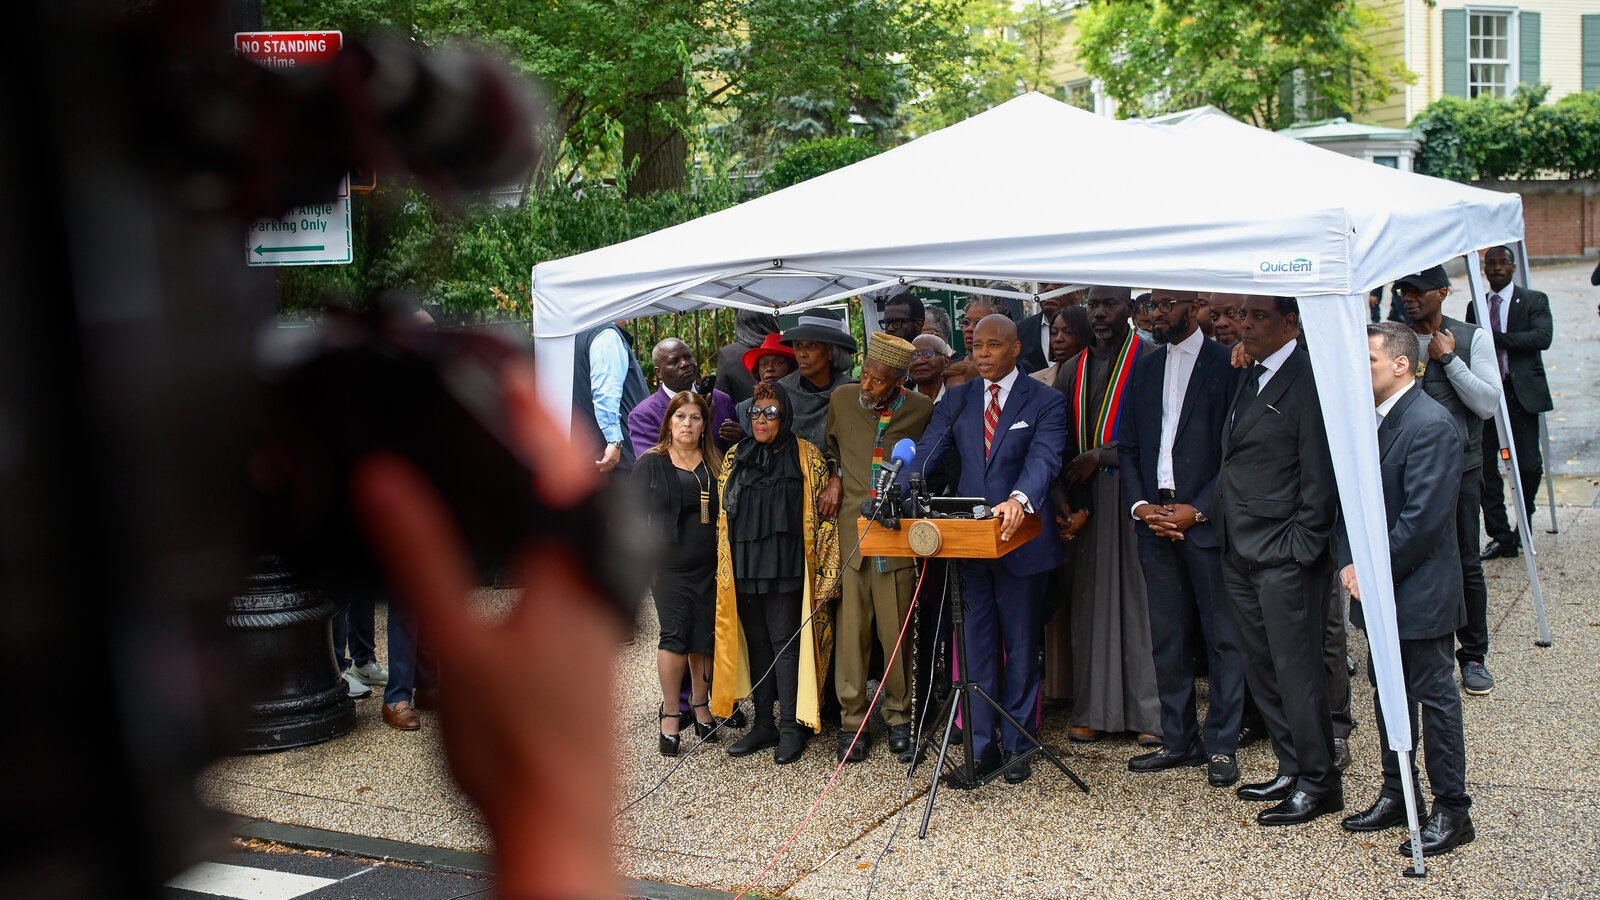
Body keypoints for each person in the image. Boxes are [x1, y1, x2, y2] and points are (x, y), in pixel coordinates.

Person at [903, 314, 1068, 784]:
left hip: (1022, 544)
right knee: (973, 649)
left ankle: (1017, 745)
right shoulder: (957, 399)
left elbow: (1045, 458)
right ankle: (979, 749)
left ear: (1016, 349)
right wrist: (899, 491)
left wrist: (1019, 498)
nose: (982, 353)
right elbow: (929, 455)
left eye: (993, 345)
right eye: (976, 346)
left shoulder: (1046, 400)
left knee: (1019, 647)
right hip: (969, 545)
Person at [1338, 322, 1475, 857]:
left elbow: (1423, 520)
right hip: (1376, 586)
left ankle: (1452, 809)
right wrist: (1351, 562)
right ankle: (1399, 792)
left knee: (1434, 699)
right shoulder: (1369, 423)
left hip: (1418, 590)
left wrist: (1368, 572)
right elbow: (1352, 502)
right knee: (1386, 694)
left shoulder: (1431, 424)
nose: (1358, 370)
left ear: (1401, 364)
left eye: (1368, 360)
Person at [1214, 295, 1342, 827]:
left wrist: (1301, 545)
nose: (1246, 325)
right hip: (1239, 546)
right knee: (1262, 666)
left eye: (1259, 316)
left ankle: (1320, 780)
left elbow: (1320, 472)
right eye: (1243, 316)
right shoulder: (1253, 371)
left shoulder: (1310, 379)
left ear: (1291, 323)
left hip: (1283, 553)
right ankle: (1292, 765)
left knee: (1297, 671)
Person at [1118, 288, 1246, 789]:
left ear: (1194, 307)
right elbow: (1127, 447)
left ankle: (1222, 744)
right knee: (1168, 636)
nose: (1154, 314)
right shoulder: (1145, 369)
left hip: (1205, 520)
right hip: (1154, 518)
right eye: (1147, 306)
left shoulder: (1227, 365)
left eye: (1165, 304)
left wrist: (1200, 509)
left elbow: (1238, 451)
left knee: (1221, 637)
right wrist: (1140, 506)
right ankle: (1179, 740)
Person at [1052, 287, 1161, 746]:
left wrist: (1102, 455)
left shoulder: (1151, 360)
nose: (1100, 313)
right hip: (1086, 502)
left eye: (1109, 304)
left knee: (1139, 603)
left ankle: (1147, 713)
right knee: (1090, 604)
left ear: (1130, 311)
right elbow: (1054, 440)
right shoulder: (1072, 369)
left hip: (1134, 493)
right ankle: (1094, 708)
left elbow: (1160, 432)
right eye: (1094, 305)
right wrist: (1061, 497)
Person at [711, 381, 840, 765]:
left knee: (785, 642)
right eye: (755, 412)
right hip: (745, 562)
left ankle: (790, 727)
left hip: (788, 563)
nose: (761, 419)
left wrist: (825, 575)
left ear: (785, 416)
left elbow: (825, 519)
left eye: (771, 412)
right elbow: (722, 514)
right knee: (758, 643)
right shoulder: (736, 456)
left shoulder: (807, 456)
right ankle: (763, 723)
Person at [824, 333, 934, 763]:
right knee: (852, 634)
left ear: (900, 382)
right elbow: (830, 449)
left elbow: (928, 465)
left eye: (878, 381)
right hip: (854, 535)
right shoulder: (842, 399)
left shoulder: (922, 410)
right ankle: (852, 723)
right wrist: (834, 475)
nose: (867, 386)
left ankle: (898, 719)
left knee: (896, 632)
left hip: (896, 536)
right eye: (865, 375)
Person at [1395, 266, 1502, 697]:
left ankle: (1473, 655)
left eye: (1418, 290)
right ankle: (1410, 646)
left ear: (1443, 292)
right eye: (1402, 290)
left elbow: (1488, 403)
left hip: (1460, 468)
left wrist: (1450, 360)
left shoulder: (1470, 336)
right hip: (1401, 467)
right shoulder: (1390, 336)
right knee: (1406, 555)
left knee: (1464, 560)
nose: (1409, 297)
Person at [633, 392, 723, 756]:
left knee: (706, 635)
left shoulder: (715, 462)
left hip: (712, 566)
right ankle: (671, 714)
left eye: (696, 418)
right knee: (675, 635)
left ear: (705, 425)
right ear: (669, 421)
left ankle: (701, 706)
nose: (688, 424)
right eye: (680, 416)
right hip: (668, 567)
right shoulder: (652, 463)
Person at [1467, 245, 1554, 562]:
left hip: (1521, 397)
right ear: (1484, 269)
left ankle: (1524, 524)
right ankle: (1501, 536)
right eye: (1491, 264)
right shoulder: (1475, 306)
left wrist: (1497, 338)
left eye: (1503, 263)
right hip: (1487, 398)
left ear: (1514, 267)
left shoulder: (1534, 300)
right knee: (1484, 469)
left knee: (1529, 466)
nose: (1497, 268)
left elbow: (1541, 338)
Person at [628, 338, 740, 459]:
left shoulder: (721, 399)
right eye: (674, 361)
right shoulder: (643, 415)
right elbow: (652, 466)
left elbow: (743, 451)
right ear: (659, 372)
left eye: (687, 357)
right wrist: (704, 423)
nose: (684, 364)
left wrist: (739, 437)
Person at [572, 320, 649, 474]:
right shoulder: (606, 335)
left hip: (597, 452)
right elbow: (606, 392)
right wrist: (615, 441)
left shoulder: (579, 335)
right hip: (617, 456)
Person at [776, 309, 858, 450]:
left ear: (831, 352)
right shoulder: (782, 391)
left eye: (812, 346)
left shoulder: (851, 393)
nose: (802, 354)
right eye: (798, 345)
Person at [715, 310, 781, 405]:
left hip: (743, 416)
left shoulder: (728, 354)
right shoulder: (785, 348)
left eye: (779, 363)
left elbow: (720, 399)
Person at [1032, 305, 1091, 389]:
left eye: (1067, 332)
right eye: (1054, 333)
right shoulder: (1035, 380)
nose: (1058, 339)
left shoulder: (1100, 378)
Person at [1018, 284, 1070, 373]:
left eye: (1058, 283)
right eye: (1043, 284)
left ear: (1078, 292)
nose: (1049, 288)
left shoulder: (1093, 329)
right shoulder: (1018, 331)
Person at [909, 334, 954, 402]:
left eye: (928, 354)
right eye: (913, 356)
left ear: (946, 361)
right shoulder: (899, 398)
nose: (918, 361)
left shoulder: (957, 396)